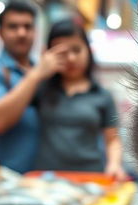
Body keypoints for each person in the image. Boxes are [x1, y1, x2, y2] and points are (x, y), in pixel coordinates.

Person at [0, 0, 68, 172]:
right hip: (2, 176)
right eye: (13, 27)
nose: (21, 33)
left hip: (43, 178)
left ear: (35, 32)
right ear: (0, 33)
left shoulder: (44, 70)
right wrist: (35, 75)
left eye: (28, 26)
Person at [33, 19, 126, 180]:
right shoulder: (40, 90)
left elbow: (112, 140)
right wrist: (38, 72)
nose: (70, 58)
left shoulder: (102, 95)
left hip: (90, 178)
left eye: (76, 50)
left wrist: (114, 164)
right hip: (46, 179)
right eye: (61, 53)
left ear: (88, 51)